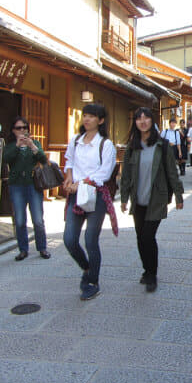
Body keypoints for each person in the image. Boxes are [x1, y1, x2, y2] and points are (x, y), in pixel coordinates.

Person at [120, 107, 184, 292]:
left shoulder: (162, 145)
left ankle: (152, 274)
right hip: (138, 199)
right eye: (138, 118)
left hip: (157, 198)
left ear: (152, 121)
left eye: (146, 118)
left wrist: (179, 195)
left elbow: (172, 173)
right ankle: (146, 271)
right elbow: (126, 176)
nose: (142, 121)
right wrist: (124, 198)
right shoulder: (132, 146)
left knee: (148, 236)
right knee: (140, 237)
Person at [63, 104, 117, 300]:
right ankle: (87, 268)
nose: (86, 119)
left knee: (90, 240)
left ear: (100, 120)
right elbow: (69, 161)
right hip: (75, 195)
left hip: (96, 195)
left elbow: (104, 172)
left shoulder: (106, 144)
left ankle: (93, 281)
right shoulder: (76, 140)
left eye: (91, 116)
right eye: (85, 115)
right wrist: (69, 178)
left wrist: (81, 183)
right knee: (69, 239)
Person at [2, 117, 50, 261]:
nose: (22, 130)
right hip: (16, 185)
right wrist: (17, 145)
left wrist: (33, 147)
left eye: (24, 128)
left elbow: (43, 160)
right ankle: (23, 249)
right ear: (13, 131)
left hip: (33, 184)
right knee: (20, 219)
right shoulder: (10, 145)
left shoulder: (35, 143)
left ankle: (42, 248)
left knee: (37, 219)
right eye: (19, 128)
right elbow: (5, 159)